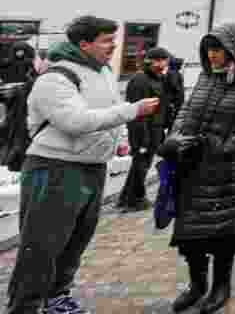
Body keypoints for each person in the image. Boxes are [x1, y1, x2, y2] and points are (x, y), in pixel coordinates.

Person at [6, 16, 160, 314]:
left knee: (75, 242)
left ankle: (56, 298)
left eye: (114, 39)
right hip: (55, 169)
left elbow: (103, 113)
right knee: (42, 245)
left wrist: (118, 141)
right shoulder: (56, 77)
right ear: (84, 44)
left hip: (92, 166)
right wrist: (132, 111)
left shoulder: (102, 72)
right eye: (106, 40)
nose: (114, 46)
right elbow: (74, 122)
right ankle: (25, 305)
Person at [157, 23, 235, 313]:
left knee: (222, 232)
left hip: (227, 171)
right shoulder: (206, 76)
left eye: (218, 49)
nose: (212, 55)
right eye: (209, 49)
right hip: (192, 165)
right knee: (191, 232)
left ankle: (221, 285)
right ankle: (197, 285)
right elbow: (187, 110)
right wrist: (175, 138)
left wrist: (228, 146)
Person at [117, 46, 171, 212]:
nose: (163, 64)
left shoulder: (159, 79)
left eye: (165, 60)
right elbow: (136, 111)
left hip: (155, 128)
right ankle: (137, 199)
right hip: (143, 129)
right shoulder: (140, 80)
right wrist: (143, 136)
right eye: (160, 60)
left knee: (140, 165)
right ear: (150, 61)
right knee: (141, 165)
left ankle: (127, 198)